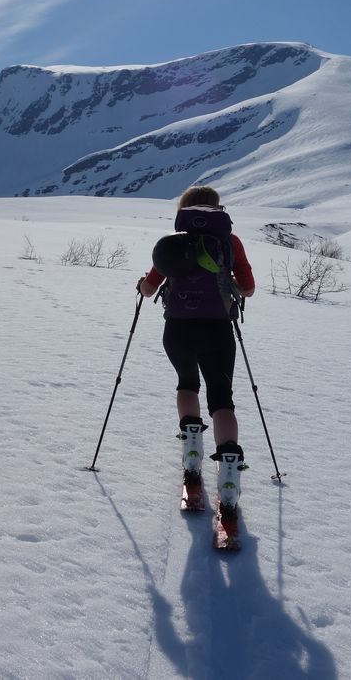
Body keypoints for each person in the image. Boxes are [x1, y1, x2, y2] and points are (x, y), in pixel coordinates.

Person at [138, 185, 256, 525]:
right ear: (217, 210)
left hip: (177, 330)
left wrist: (144, 284)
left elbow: (149, 288)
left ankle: (192, 457)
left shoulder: (172, 245)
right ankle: (230, 479)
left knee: (187, 384)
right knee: (222, 400)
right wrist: (227, 279)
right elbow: (248, 288)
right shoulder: (230, 243)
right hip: (218, 331)